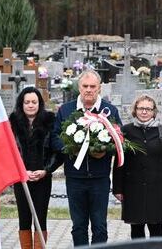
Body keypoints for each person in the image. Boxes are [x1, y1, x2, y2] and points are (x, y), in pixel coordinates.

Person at [51, 69, 122, 247]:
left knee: (100, 226)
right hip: (75, 178)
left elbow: (119, 141)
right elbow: (54, 138)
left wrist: (105, 150)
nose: (88, 90)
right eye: (85, 86)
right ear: (79, 87)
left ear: (99, 88)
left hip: (100, 178)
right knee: (79, 226)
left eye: (93, 86)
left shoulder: (109, 110)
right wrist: (71, 149)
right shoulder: (66, 110)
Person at [112, 95, 162, 239]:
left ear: (154, 111)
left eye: (148, 109)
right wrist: (117, 188)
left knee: (156, 229)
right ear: (135, 110)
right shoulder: (126, 131)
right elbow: (119, 161)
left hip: (157, 188)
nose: (144, 112)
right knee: (136, 229)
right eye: (141, 108)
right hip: (133, 188)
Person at [9, 86, 63, 249]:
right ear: (22, 104)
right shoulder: (13, 122)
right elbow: (9, 151)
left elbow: (58, 151)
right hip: (21, 179)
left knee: (40, 218)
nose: (30, 105)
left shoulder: (50, 121)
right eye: (27, 102)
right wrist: (20, 171)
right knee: (24, 219)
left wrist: (46, 170)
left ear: (40, 103)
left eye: (34, 102)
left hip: (42, 179)